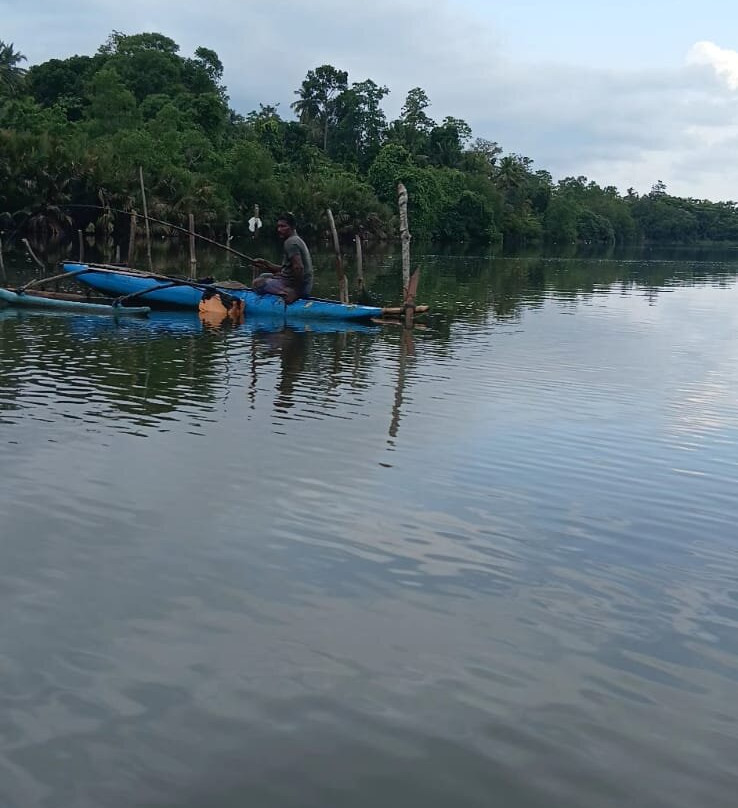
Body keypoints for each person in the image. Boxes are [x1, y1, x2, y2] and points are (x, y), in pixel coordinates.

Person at [251, 213, 313, 304]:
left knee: (257, 283)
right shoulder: (295, 240)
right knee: (263, 276)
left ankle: (275, 300)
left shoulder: (291, 242)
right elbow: (286, 269)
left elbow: (298, 268)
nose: (279, 229)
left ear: (292, 227)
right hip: (299, 284)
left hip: (300, 288)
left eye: (283, 226)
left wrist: (295, 292)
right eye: (278, 226)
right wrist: (265, 263)